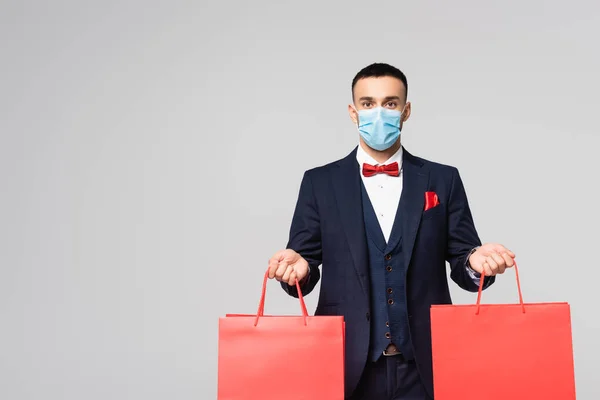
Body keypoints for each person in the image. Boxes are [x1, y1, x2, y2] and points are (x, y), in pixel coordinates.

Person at [267, 62, 515, 400]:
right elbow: (303, 263)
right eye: (368, 104)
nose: (378, 112)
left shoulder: (443, 179)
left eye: (390, 103)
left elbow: (462, 260)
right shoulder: (319, 182)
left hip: (425, 366)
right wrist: (297, 270)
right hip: (345, 365)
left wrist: (476, 263)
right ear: (353, 113)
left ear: (406, 110)